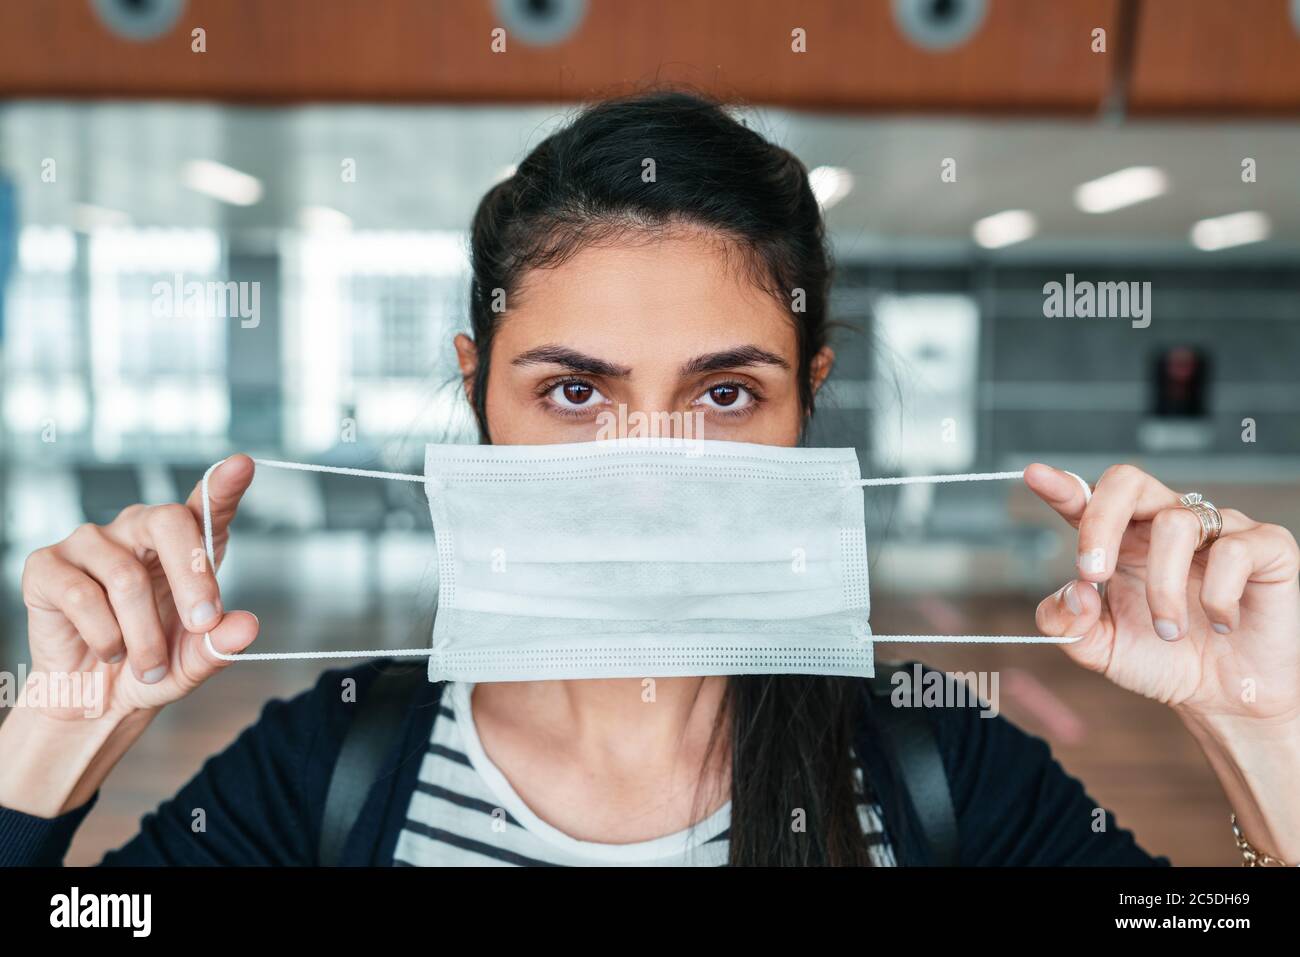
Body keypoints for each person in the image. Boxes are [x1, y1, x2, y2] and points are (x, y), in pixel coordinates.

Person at [2, 92, 1297, 867]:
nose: (648, 468)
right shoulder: (326, 766)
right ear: (476, 390)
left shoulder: (948, 771)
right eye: (575, 390)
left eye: (725, 392)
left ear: (808, 397)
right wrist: (53, 738)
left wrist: (1260, 725)